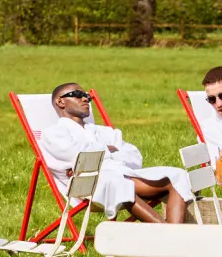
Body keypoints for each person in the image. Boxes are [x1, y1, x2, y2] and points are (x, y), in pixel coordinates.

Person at [38, 82, 193, 223]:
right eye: (78, 95)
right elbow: (78, 157)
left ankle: (174, 237)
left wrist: (101, 154)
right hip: (86, 187)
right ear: (60, 102)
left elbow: (134, 156)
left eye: (87, 96)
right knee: (117, 183)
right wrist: (109, 149)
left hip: (122, 175)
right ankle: (169, 236)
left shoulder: (101, 131)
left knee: (177, 175)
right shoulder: (53, 133)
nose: (85, 99)